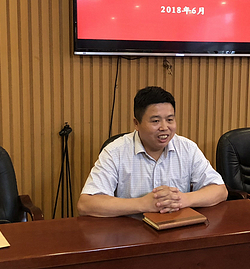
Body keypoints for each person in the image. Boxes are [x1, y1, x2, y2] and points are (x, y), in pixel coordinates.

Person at [77, 86, 227, 217]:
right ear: (136, 123)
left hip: (177, 230)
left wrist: (181, 199)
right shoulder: (115, 152)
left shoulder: (187, 148)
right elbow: (86, 204)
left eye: (170, 120)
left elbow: (220, 190)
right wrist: (143, 204)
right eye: (155, 121)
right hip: (131, 232)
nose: (164, 127)